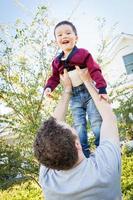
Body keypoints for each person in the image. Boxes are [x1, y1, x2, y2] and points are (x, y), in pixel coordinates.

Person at [34, 67, 121, 200]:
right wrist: (88, 82)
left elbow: (53, 123)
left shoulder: (48, 181)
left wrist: (67, 90)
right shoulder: (105, 167)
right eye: (69, 125)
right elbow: (109, 117)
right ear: (77, 144)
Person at [44, 20, 109, 157]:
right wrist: (49, 87)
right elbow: (55, 77)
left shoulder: (83, 54)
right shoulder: (56, 62)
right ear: (57, 41)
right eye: (60, 35)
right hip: (74, 96)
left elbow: (95, 70)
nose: (64, 36)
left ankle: (101, 148)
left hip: (88, 91)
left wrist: (102, 89)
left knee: (96, 121)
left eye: (68, 33)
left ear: (76, 37)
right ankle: (84, 153)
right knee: (79, 125)